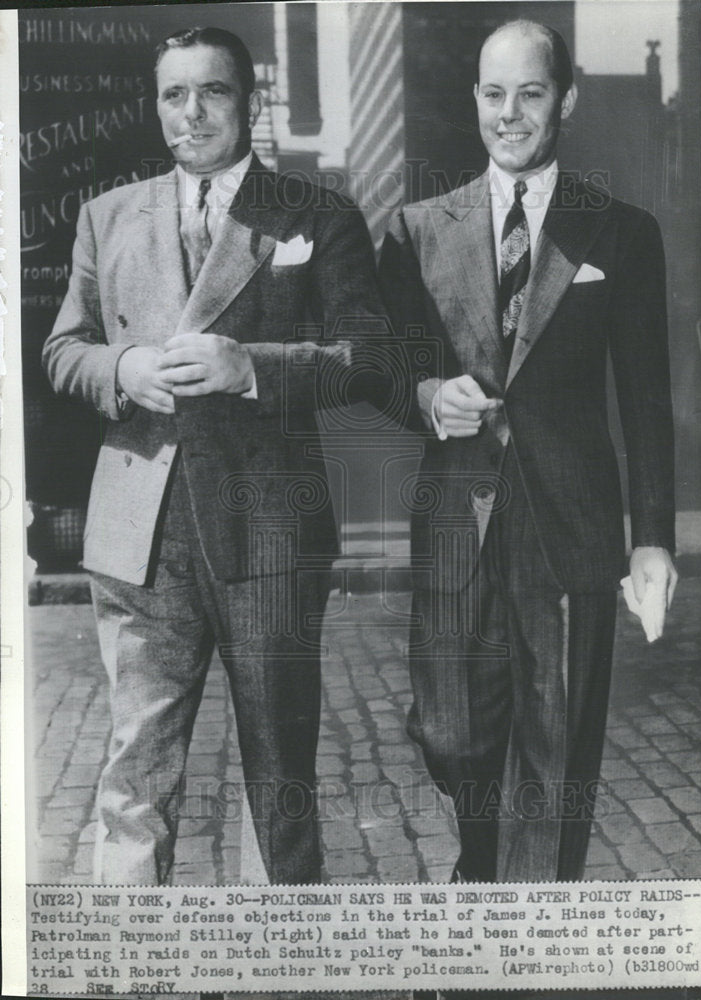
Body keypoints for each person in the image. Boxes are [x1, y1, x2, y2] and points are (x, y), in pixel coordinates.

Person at [43, 25, 391, 885]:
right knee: (135, 770)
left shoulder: (316, 213)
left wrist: (253, 367)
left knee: (279, 770)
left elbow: (370, 360)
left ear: (250, 101)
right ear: (156, 104)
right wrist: (121, 368)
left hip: (267, 530)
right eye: (173, 94)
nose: (191, 113)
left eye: (213, 92)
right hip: (139, 531)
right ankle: (129, 949)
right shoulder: (107, 217)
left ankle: (281, 943)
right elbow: (63, 350)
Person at [379, 19, 678, 888]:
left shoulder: (618, 232)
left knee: (555, 744)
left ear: (566, 100)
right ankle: (483, 865)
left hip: (570, 525)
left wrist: (651, 539)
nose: (508, 114)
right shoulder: (416, 230)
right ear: (474, 99)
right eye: (493, 93)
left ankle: (527, 923)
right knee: (449, 731)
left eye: (530, 93)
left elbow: (645, 401)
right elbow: (383, 369)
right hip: (455, 522)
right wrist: (427, 396)